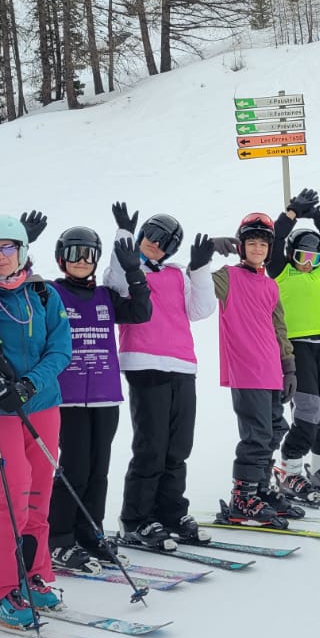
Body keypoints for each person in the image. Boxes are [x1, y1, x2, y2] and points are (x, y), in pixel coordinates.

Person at [0, 213, 72, 626]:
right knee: (13, 495)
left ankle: (32, 575)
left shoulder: (43, 295)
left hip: (43, 405)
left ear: (22, 251)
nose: (0, 256)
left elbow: (60, 350)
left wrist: (30, 384)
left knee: (39, 493)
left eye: (7, 248)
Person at [104, 204, 217, 550]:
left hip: (182, 365)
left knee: (178, 447)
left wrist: (200, 269)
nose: (155, 244)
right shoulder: (130, 270)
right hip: (145, 364)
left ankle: (171, 513)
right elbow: (115, 282)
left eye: (165, 242)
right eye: (151, 236)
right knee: (151, 446)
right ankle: (136, 519)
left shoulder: (177, 274)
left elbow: (201, 310)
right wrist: (124, 236)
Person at [47, 223, 152, 574]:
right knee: (74, 469)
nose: (82, 260)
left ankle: (91, 534)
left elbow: (141, 312)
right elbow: (19, 296)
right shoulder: (51, 294)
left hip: (105, 397)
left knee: (98, 472)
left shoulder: (106, 295)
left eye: (89, 254)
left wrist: (134, 271)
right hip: (69, 398)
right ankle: (59, 538)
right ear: (62, 258)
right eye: (74, 254)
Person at [211, 212, 297, 526]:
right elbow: (194, 282)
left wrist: (289, 366)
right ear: (241, 247)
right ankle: (242, 498)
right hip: (246, 369)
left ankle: (259, 488)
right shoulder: (227, 277)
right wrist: (207, 249)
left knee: (276, 428)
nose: (257, 249)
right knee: (257, 434)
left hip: (271, 368)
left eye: (263, 244)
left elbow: (279, 327)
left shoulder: (270, 285)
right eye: (251, 243)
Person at [265, 188, 320, 502]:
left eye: (314, 257)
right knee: (308, 410)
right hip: (297, 347)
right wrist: (291, 213)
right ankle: (290, 470)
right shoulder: (281, 271)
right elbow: (273, 240)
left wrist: (319, 217)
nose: (309, 263)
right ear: (292, 255)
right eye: (303, 256)